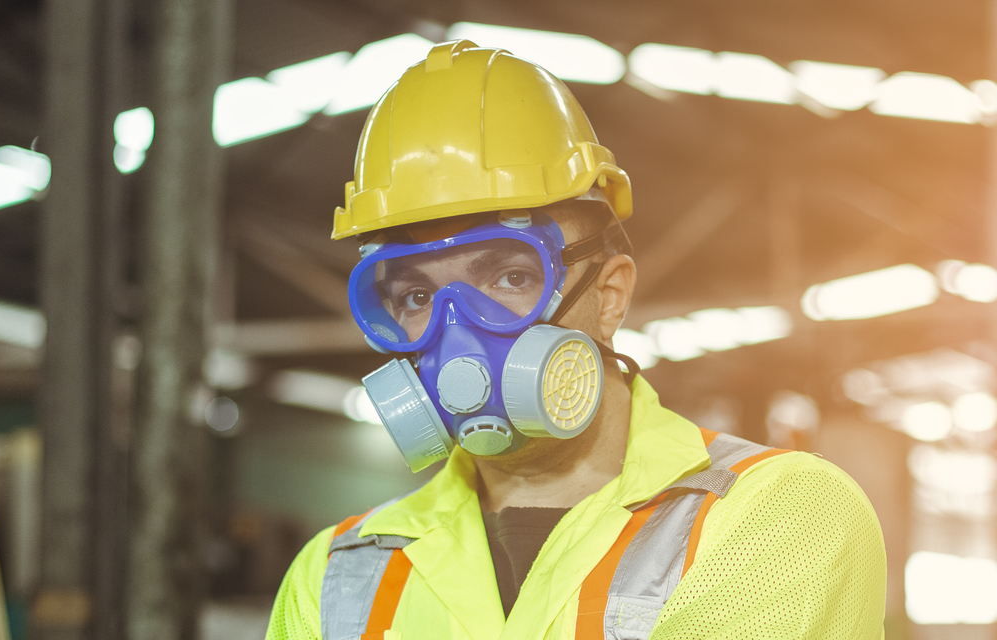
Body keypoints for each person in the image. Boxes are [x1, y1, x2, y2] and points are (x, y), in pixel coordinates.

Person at [265, 40, 885, 640]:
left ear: (609, 294)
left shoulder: (776, 513)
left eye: (511, 277)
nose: (461, 333)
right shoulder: (336, 573)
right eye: (417, 296)